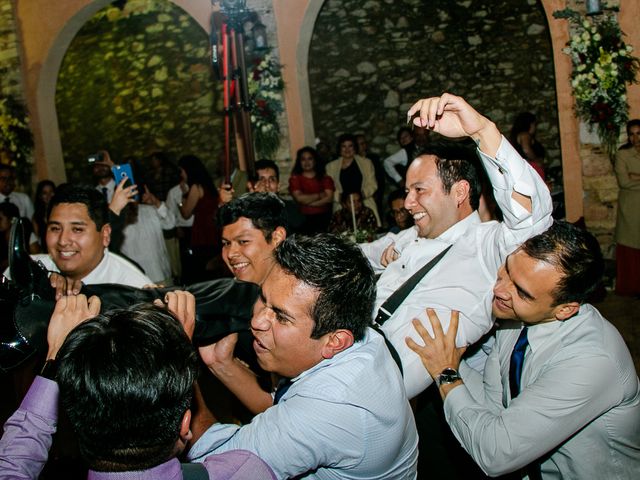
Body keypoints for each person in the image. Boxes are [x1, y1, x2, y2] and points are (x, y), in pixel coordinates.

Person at [407, 221, 640, 478]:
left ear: (565, 309)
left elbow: (496, 453)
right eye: (507, 269)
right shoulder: (517, 321)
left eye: (522, 292)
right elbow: (493, 405)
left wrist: (446, 373)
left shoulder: (592, 361)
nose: (499, 289)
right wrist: (448, 360)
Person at [361, 93, 553, 400]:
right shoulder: (409, 236)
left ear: (460, 191)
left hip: (383, 390)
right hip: (351, 349)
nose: (408, 203)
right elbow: (360, 254)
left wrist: (482, 130)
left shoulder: (487, 246)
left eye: (419, 190)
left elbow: (532, 219)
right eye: (407, 191)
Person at [188, 235, 419, 479]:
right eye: (263, 299)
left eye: (281, 316)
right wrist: (221, 363)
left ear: (335, 341)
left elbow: (217, 467)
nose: (256, 321)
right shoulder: (363, 338)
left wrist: (178, 363)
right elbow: (281, 408)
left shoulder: (330, 409)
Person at [0, 291, 276, 479]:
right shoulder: (242, 471)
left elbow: (16, 457)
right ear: (184, 425)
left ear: (76, 420)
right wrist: (177, 351)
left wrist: (56, 354)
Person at [3, 183, 151, 289]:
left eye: (77, 229)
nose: (63, 240)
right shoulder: (26, 272)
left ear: (105, 235)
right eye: (55, 228)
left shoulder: (131, 288)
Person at [177, 155, 230, 283]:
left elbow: (186, 213)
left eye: (181, 171)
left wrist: (183, 195)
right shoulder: (208, 184)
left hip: (202, 232)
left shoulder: (195, 187)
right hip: (212, 230)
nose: (181, 175)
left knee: (202, 271)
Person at [218, 193, 287, 285]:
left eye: (243, 241)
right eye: (226, 243)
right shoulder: (220, 295)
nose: (230, 254)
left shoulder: (305, 295)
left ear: (277, 238)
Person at [326, 134, 381, 226]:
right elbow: (329, 188)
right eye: (344, 146)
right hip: (341, 207)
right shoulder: (330, 167)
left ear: (355, 147)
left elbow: (373, 184)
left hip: (364, 204)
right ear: (339, 148)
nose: (347, 149)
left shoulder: (367, 163)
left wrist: (359, 198)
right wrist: (341, 199)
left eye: (350, 146)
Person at [614, 118, 640, 296]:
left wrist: (635, 176)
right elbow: (624, 182)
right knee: (631, 246)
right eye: (631, 134)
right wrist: (631, 178)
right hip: (631, 206)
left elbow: (631, 180)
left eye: (638, 133)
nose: (635, 138)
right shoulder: (623, 154)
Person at [248, 159, 305, 233]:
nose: (267, 185)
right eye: (261, 180)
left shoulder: (291, 209)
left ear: (278, 185)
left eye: (272, 180)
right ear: (251, 186)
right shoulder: (244, 212)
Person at [288, 147, 335, 234]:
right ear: (299, 162)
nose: (307, 162)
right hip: (303, 220)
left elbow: (329, 198)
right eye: (303, 159)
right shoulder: (295, 179)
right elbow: (299, 199)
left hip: (325, 219)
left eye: (310, 159)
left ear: (315, 160)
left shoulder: (325, 178)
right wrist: (319, 195)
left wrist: (308, 203)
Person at [508, 112, 546, 181]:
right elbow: (526, 150)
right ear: (530, 124)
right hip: (532, 168)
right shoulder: (525, 135)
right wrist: (536, 160)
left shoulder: (517, 135)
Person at [31, 180, 56, 253]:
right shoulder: (36, 216)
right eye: (44, 193)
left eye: (51, 192)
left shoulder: (62, 212)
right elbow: (37, 239)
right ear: (40, 196)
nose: (49, 195)